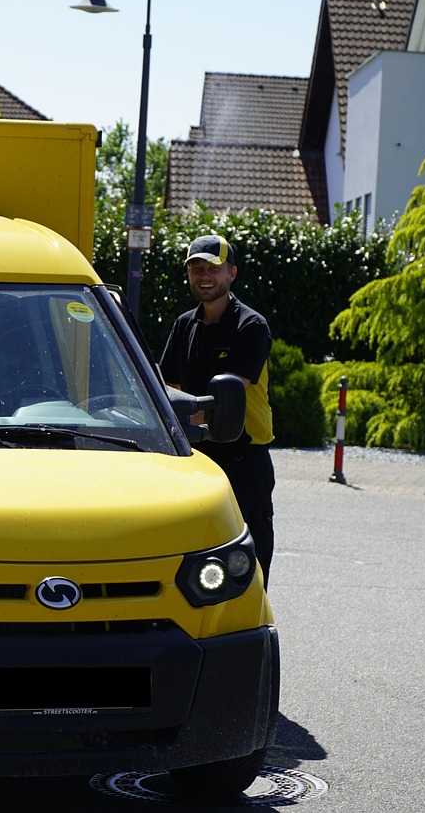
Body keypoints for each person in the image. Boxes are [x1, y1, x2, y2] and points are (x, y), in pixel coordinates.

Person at [159, 234, 276, 587]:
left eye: (213, 268)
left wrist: (181, 419)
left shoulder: (251, 326)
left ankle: (250, 627)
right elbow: (169, 388)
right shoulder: (184, 324)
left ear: (232, 274)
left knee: (247, 561)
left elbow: (227, 399)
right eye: (196, 268)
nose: (204, 275)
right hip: (193, 453)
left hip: (244, 456)